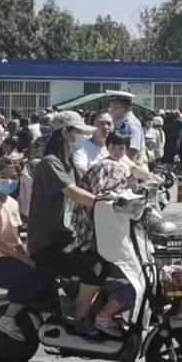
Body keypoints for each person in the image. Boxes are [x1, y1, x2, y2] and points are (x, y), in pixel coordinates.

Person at [27, 112, 102, 309]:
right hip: (48, 242)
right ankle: (81, 317)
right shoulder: (50, 163)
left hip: (66, 236)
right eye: (79, 132)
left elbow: (87, 189)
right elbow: (74, 193)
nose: (84, 137)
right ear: (66, 134)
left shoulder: (69, 165)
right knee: (96, 267)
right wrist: (103, 203)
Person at [70, 132, 138, 338]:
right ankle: (100, 317)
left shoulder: (119, 166)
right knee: (128, 281)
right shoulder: (109, 167)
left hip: (102, 231)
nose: (118, 151)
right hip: (95, 234)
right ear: (108, 147)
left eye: (122, 148)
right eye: (115, 147)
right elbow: (104, 199)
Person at [0, 158, 42, 342]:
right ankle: (7, 318)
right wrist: (20, 258)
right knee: (30, 280)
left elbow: (14, 237)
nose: (9, 181)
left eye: (13, 177)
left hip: (10, 257)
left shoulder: (13, 204)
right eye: (4, 176)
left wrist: (25, 254)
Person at [106, 91, 144, 163]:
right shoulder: (121, 122)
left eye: (110, 107)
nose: (109, 110)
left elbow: (132, 153)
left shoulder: (130, 125)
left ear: (118, 107)